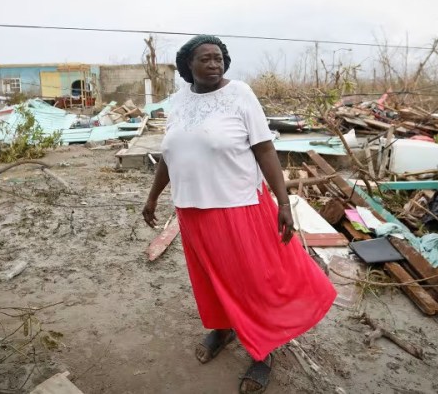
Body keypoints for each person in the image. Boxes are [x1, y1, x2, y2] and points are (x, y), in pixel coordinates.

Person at [143, 35, 336, 393]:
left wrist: (282, 202)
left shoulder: (240, 94)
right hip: (191, 209)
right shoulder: (179, 102)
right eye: (206, 58)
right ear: (188, 65)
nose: (214, 64)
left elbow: (265, 150)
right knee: (210, 279)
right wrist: (153, 197)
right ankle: (222, 328)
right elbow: (169, 154)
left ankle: (264, 352)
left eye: (219, 58)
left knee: (252, 281)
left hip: (238, 207)